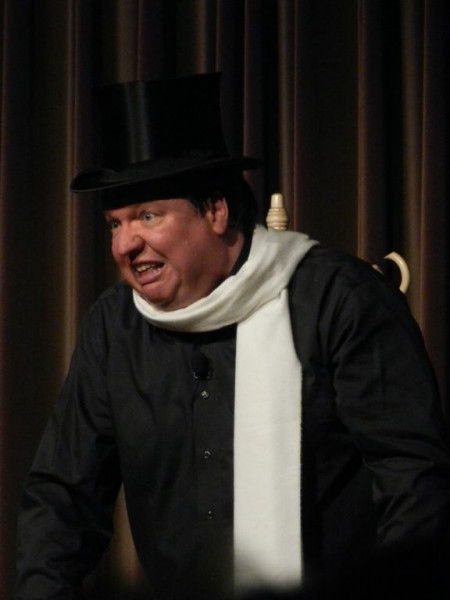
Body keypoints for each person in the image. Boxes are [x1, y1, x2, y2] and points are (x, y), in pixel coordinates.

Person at [13, 73, 450, 600]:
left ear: (216, 211)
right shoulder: (113, 328)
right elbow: (63, 498)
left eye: (147, 216)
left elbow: (413, 481)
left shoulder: (338, 300)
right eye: (114, 224)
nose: (125, 244)